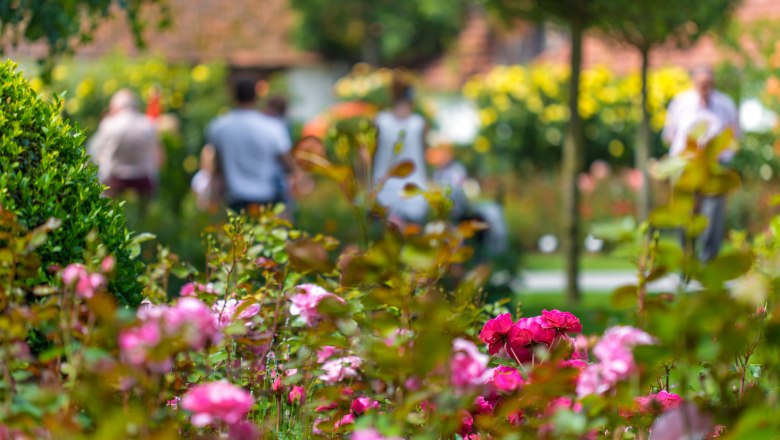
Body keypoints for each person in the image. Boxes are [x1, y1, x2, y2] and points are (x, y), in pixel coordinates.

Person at [662, 66, 740, 262]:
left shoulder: (725, 104)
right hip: (686, 167)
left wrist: (722, 155)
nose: (705, 86)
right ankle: (686, 258)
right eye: (701, 83)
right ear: (694, 82)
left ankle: (708, 260)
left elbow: (735, 135)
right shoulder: (681, 103)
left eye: (708, 83)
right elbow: (669, 135)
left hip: (714, 167)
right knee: (685, 213)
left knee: (713, 214)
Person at [204, 79, 295, 213]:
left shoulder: (218, 127)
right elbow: (288, 165)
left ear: (233, 97)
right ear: (256, 97)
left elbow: (218, 168)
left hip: (235, 198)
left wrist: (213, 198)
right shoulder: (272, 127)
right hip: (269, 199)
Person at [373, 79, 428, 226]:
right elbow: (424, 155)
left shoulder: (380, 120)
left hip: (384, 189)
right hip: (411, 190)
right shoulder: (418, 123)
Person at [88, 89, 162, 198]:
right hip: (144, 183)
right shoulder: (149, 125)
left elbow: (97, 154)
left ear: (115, 107)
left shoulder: (108, 124)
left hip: (115, 183)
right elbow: (159, 159)